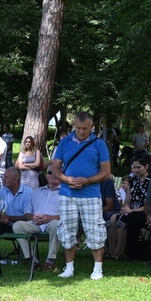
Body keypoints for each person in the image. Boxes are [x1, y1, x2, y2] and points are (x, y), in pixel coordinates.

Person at [50, 111, 111, 280]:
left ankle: (97, 269)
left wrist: (87, 181)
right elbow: (55, 167)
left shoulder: (99, 144)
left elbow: (106, 172)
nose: (81, 131)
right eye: (78, 128)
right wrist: (66, 179)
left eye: (85, 128)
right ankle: (69, 268)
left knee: (95, 230)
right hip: (67, 193)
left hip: (91, 193)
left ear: (92, 127)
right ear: (73, 126)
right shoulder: (64, 142)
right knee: (67, 229)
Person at [13, 167, 61, 269]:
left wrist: (50, 218)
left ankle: (50, 261)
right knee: (17, 226)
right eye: (50, 172)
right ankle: (32, 260)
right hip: (35, 223)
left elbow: (69, 215)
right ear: (46, 175)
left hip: (52, 222)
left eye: (57, 172)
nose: (53, 175)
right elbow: (27, 213)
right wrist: (32, 216)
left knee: (56, 225)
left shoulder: (65, 193)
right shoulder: (37, 191)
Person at [107, 157, 150, 260]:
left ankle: (120, 251)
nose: (135, 170)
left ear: (146, 166)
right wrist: (126, 207)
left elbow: (150, 204)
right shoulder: (133, 180)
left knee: (123, 219)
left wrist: (132, 211)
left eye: (138, 167)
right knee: (113, 218)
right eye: (133, 168)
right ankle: (111, 251)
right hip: (131, 210)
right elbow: (128, 199)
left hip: (143, 211)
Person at [0, 167, 33, 234]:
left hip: (24, 225)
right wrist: (1, 217)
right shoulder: (2, 191)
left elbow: (27, 217)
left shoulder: (28, 192)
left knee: (20, 226)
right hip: (7, 224)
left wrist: (8, 218)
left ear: (15, 180)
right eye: (3, 177)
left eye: (7, 177)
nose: (3, 179)